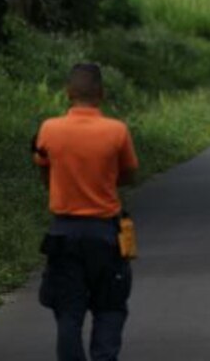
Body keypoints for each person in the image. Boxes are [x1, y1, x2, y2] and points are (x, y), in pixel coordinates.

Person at [32, 63, 139, 361]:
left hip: (63, 233)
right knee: (110, 306)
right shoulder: (116, 131)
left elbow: (43, 169)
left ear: (68, 93)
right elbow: (129, 174)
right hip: (105, 233)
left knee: (68, 313)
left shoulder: (49, 129)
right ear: (101, 94)